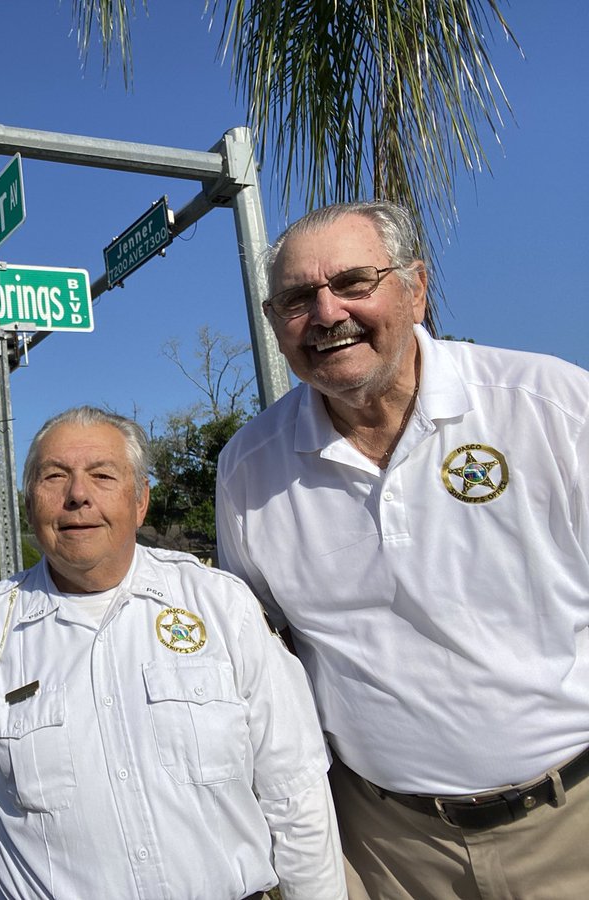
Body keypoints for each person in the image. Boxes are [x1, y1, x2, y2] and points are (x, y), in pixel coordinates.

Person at [215, 200, 589, 899]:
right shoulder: (249, 468)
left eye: (354, 283)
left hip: (571, 828)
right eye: (298, 298)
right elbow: (266, 661)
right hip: (385, 849)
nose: (327, 314)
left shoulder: (553, 407)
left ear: (415, 289)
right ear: (275, 324)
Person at [0, 406, 346, 900]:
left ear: (140, 501)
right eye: (54, 476)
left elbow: (294, 791)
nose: (78, 495)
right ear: (28, 502)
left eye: (102, 475)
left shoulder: (221, 605)